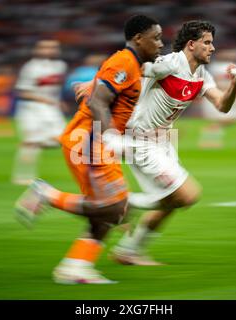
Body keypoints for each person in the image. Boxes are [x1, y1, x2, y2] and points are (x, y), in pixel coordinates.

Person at [15, 15, 163, 284]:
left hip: (96, 143)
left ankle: (75, 267)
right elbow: (98, 103)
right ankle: (46, 194)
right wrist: (108, 136)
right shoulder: (124, 62)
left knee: (114, 211)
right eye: (156, 38)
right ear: (138, 39)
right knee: (114, 208)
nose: (161, 44)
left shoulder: (132, 64)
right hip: (90, 143)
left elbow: (108, 97)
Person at [106, 20, 236, 265]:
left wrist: (234, 84)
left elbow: (222, 105)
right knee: (188, 195)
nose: (213, 48)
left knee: (171, 203)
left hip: (162, 144)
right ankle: (122, 204)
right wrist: (99, 87)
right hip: (140, 142)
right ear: (192, 44)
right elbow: (132, 68)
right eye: (207, 43)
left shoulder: (201, 75)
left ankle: (129, 251)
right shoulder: (169, 64)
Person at [12, 40, 68, 185]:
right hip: (32, 108)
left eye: (53, 47)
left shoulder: (60, 66)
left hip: (51, 109)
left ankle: (33, 143)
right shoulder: (30, 68)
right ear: (37, 49)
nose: (50, 50)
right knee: (31, 143)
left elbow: (54, 89)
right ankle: (22, 176)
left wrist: (56, 101)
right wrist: (45, 100)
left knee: (63, 140)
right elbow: (22, 92)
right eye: (45, 47)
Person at [197, 49, 236, 149]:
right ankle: (209, 140)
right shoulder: (217, 66)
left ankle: (210, 135)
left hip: (232, 95)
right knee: (223, 119)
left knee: (232, 120)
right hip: (219, 94)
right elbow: (216, 81)